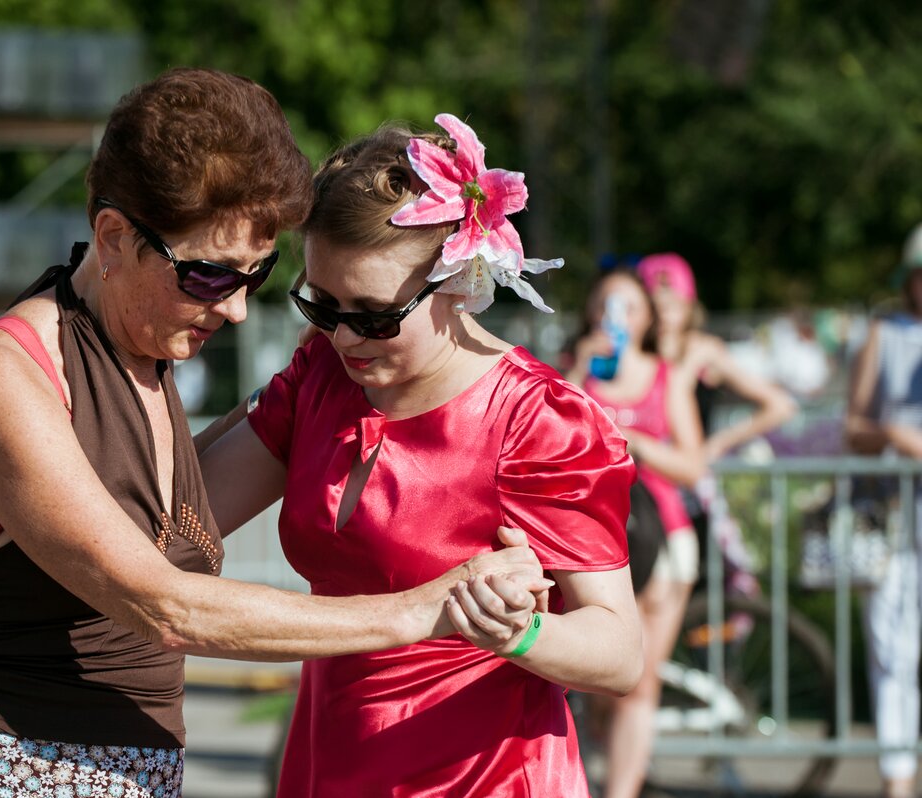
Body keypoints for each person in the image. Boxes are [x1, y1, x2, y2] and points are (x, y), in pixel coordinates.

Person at [0, 70, 546, 798]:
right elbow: (168, 605)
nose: (240, 310)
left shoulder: (143, 353)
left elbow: (201, 509)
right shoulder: (4, 378)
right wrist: (435, 606)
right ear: (115, 236)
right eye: (212, 277)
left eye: (259, 275)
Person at [199, 115, 643, 797]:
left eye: (375, 315)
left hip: (483, 778)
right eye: (321, 305)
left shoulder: (535, 420)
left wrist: (516, 632)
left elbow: (620, 654)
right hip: (329, 764)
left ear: (459, 280)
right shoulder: (323, 373)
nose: (347, 338)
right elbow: (179, 522)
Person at [565, 266, 706, 798]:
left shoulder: (665, 376)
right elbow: (547, 437)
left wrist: (633, 440)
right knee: (600, 677)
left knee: (638, 678)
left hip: (662, 539)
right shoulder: (575, 373)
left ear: (647, 318)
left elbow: (692, 466)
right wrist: (579, 368)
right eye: (605, 305)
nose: (614, 317)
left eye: (627, 307)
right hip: (592, 540)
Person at [638, 252, 797, 593]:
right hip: (644, 485)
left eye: (673, 304)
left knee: (697, 584)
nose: (665, 314)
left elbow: (779, 405)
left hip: (689, 486)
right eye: (656, 305)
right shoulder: (632, 354)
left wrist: (718, 444)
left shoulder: (701, 350)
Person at [845, 222, 922, 798]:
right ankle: (900, 775)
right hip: (893, 514)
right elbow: (853, 426)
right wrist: (895, 434)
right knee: (893, 645)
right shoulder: (886, 332)